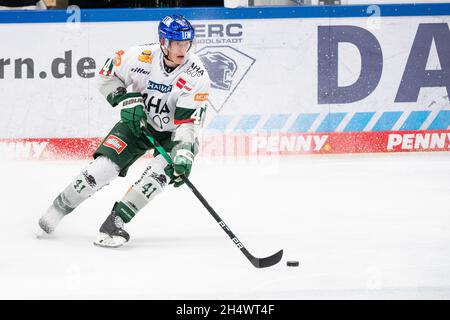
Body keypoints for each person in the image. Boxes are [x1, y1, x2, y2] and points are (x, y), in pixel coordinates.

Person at [38, 14, 210, 248]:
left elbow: (187, 123)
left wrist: (183, 153)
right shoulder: (138, 56)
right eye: (177, 43)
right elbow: (105, 76)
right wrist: (126, 99)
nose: (183, 48)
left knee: (156, 177)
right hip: (137, 125)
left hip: (173, 134)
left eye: (186, 43)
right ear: (163, 42)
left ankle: (115, 222)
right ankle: (57, 209)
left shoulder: (196, 75)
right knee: (102, 169)